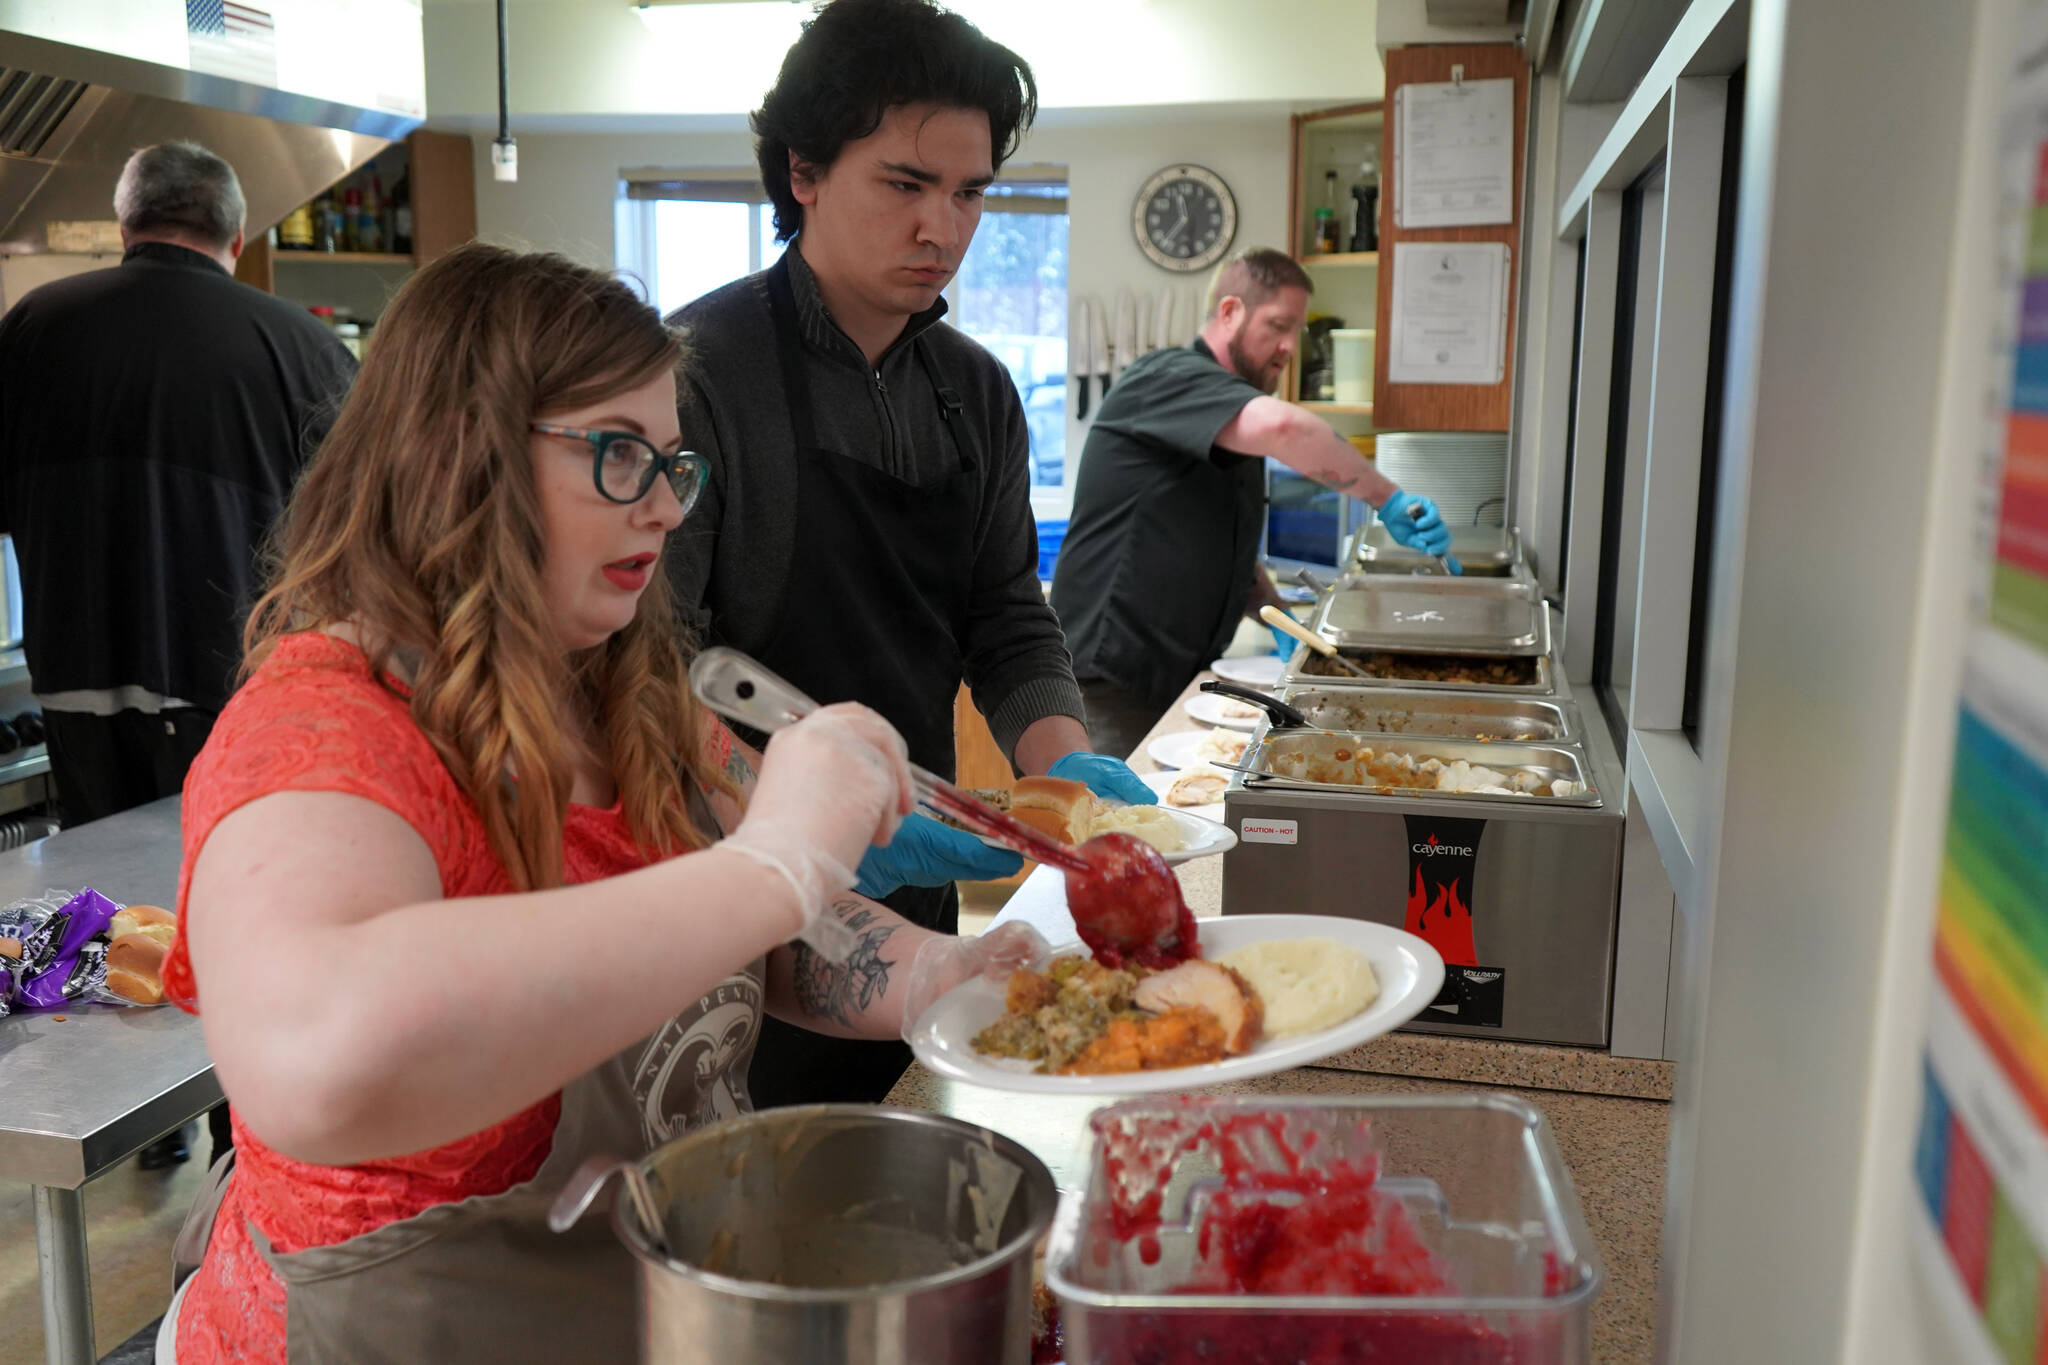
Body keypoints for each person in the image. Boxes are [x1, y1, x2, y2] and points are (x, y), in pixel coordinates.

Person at [156, 243, 1043, 1364]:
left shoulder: (627, 693)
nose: (667, 509)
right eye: (620, 456)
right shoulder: (321, 733)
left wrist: (930, 976)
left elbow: (770, 942)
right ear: (453, 457)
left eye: (677, 464)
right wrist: (765, 864)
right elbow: (317, 1061)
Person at [668, 0, 1150, 1108]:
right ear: (802, 173)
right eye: (903, 184)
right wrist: (801, 825)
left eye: (970, 191)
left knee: (899, 1139)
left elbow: (1004, 615)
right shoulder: (696, 374)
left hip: (911, 874)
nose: (943, 226)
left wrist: (1061, 785)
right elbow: (649, 669)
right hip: (727, 879)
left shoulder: (974, 392)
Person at [0, 141, 355, 1169]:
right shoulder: (299, 345)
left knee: (106, 925)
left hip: (76, 680)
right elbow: (355, 539)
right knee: (238, 911)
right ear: (236, 237)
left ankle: (129, 1136)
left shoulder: (30, 332)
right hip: (238, 695)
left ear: (126, 224)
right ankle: (233, 1123)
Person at [1051, 249, 1453, 758]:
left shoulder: (1226, 413)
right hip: (1107, 682)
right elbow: (1287, 427)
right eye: (1278, 325)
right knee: (1104, 831)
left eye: (1296, 332)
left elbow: (1225, 544)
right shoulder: (1167, 376)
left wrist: (1278, 617)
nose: (1289, 347)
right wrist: (1388, 500)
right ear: (1229, 313)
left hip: (1174, 678)